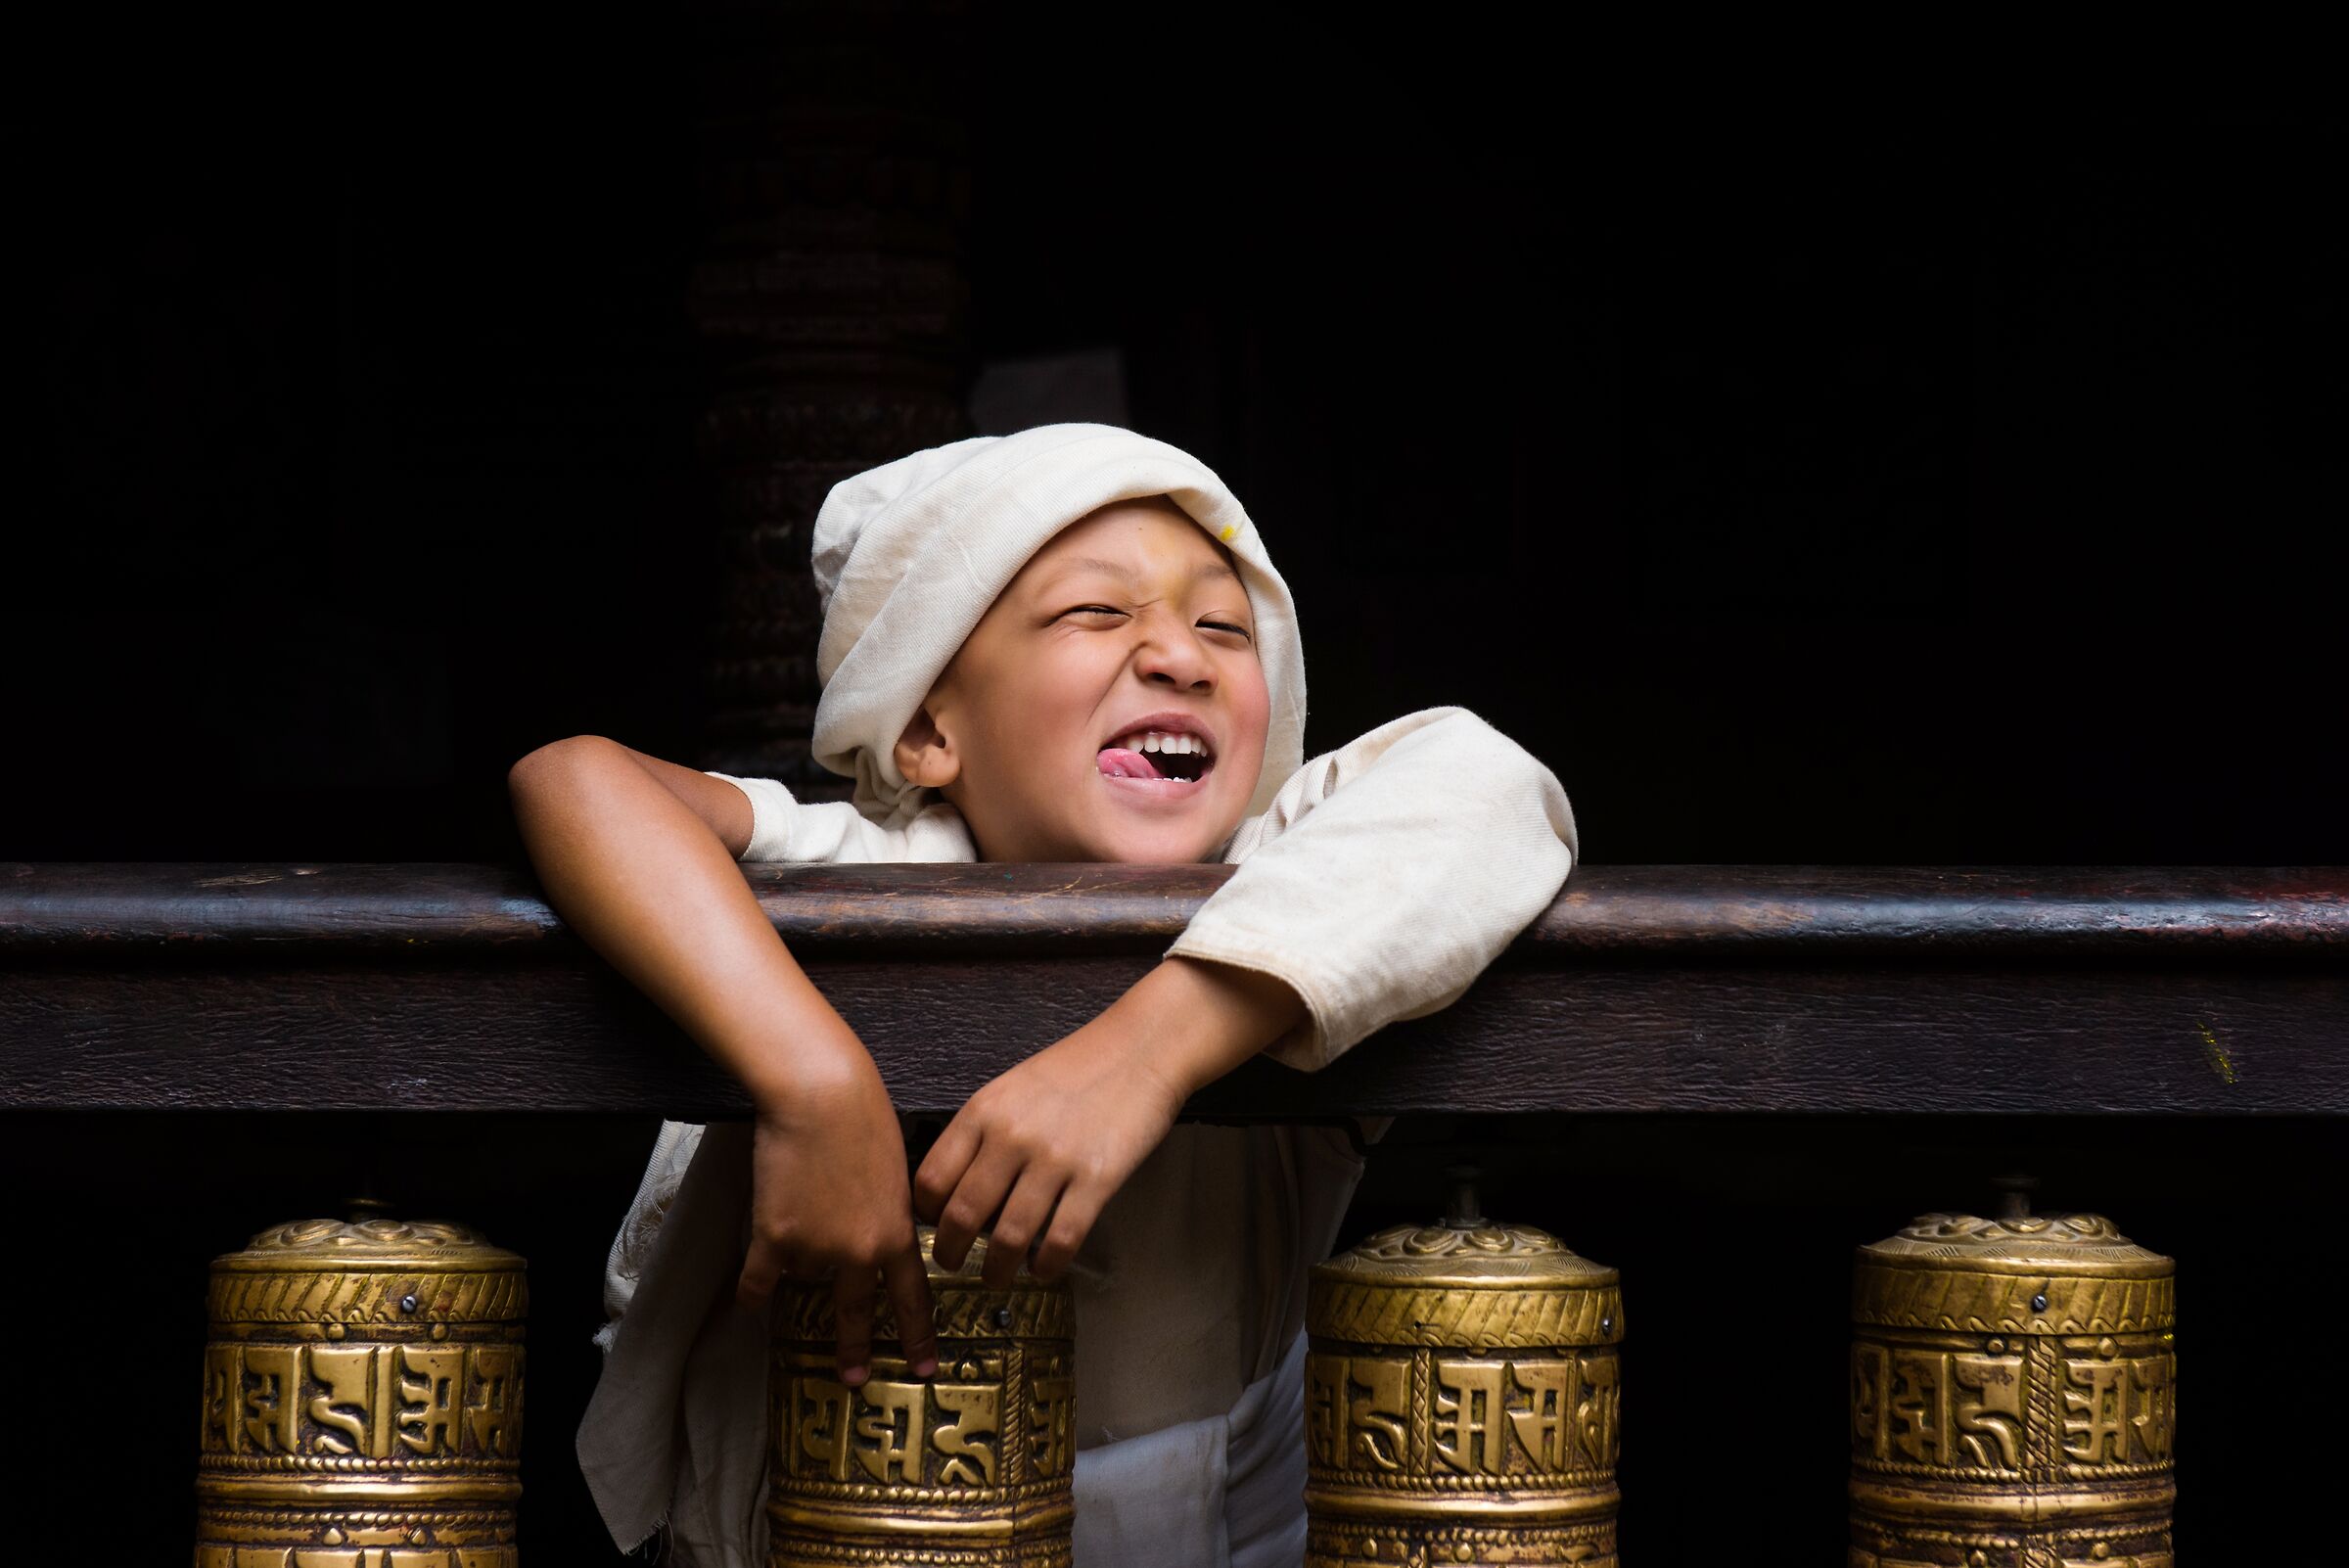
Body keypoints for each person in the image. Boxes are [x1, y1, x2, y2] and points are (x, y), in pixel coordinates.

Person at [507, 423, 1578, 1566]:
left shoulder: (1300, 890)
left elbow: (1493, 786)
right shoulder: (861, 865)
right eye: (1097, 614)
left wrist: (1142, 1056)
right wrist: (811, 1080)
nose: (1181, 655)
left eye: (1223, 624)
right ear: (927, 727)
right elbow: (574, 781)